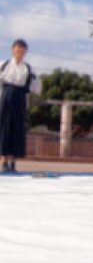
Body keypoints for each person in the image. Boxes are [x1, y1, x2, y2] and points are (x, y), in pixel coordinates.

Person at [0, 39, 41, 173]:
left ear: (25, 51)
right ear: (13, 49)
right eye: (17, 48)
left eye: (22, 48)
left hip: (20, 99)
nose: (19, 51)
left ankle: (13, 162)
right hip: (5, 98)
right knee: (4, 129)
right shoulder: (4, 65)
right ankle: (4, 161)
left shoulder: (28, 68)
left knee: (17, 130)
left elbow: (36, 87)